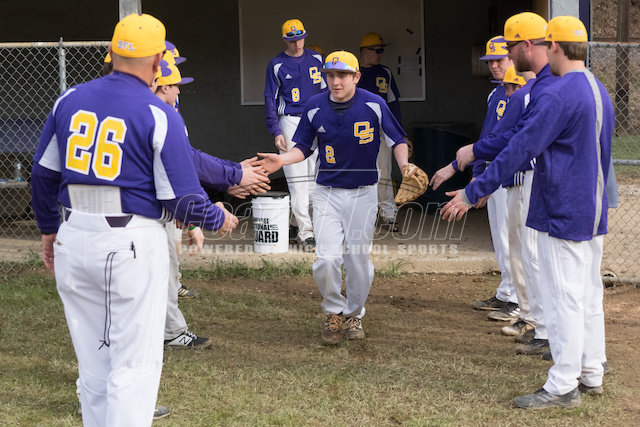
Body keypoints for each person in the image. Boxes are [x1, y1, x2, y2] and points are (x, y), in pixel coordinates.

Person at [31, 13, 238, 426]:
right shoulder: (158, 111)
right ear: (159, 60)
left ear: (111, 52)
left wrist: (49, 229)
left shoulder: (68, 99)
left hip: (75, 232)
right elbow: (182, 198)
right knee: (134, 366)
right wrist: (215, 216)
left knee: (94, 365)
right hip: (130, 239)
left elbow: (42, 173)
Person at [442, 15, 613, 409]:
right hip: (591, 207)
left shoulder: (558, 93)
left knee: (565, 297)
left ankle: (563, 385)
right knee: (587, 293)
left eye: (512, 45)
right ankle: (591, 371)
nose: (509, 53)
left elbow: (519, 148)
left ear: (551, 46)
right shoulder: (595, 86)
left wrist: (472, 191)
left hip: (564, 209)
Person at [257, 51, 410, 344]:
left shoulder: (373, 104)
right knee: (327, 259)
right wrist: (282, 160)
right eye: (330, 75)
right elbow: (303, 146)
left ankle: (354, 315)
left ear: (356, 77)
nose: (335, 81)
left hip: (363, 193)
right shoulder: (315, 105)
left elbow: (397, 139)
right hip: (327, 192)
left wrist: (405, 167)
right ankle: (333, 311)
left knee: (358, 260)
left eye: (342, 75)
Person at [431, 35, 518, 318]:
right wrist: (477, 175)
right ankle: (507, 293)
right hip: (492, 172)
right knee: (501, 239)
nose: (494, 66)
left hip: (511, 174)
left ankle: (518, 300)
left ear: (514, 57)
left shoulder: (523, 93)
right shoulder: (495, 94)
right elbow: (487, 138)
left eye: (499, 60)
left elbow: (508, 141)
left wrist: (481, 178)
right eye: (490, 61)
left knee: (514, 240)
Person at [264, 18, 326, 251]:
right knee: (298, 179)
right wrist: (275, 130)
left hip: (316, 119)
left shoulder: (317, 58)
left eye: (300, 38)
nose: (297, 43)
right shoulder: (276, 64)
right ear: (284, 40)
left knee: (316, 177)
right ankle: (306, 232)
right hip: (291, 120)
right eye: (292, 40)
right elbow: (270, 98)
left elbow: (327, 92)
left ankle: (304, 225)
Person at [358, 32, 403, 231]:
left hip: (382, 129)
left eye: (381, 50)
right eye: (377, 50)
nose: (380, 54)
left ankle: (389, 214)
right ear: (364, 51)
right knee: (360, 173)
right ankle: (363, 215)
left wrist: (399, 133)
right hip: (358, 131)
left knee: (384, 172)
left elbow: (393, 102)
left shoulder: (385, 72)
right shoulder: (353, 71)